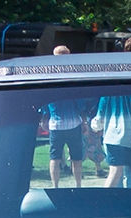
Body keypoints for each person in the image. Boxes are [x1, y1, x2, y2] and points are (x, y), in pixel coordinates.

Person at [46, 49, 84, 188]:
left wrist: (44, 116)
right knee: (76, 158)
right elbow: (79, 101)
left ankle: (55, 186)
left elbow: (45, 99)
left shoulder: (49, 76)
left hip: (56, 124)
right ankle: (78, 185)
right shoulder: (72, 75)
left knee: (54, 158)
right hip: (74, 122)